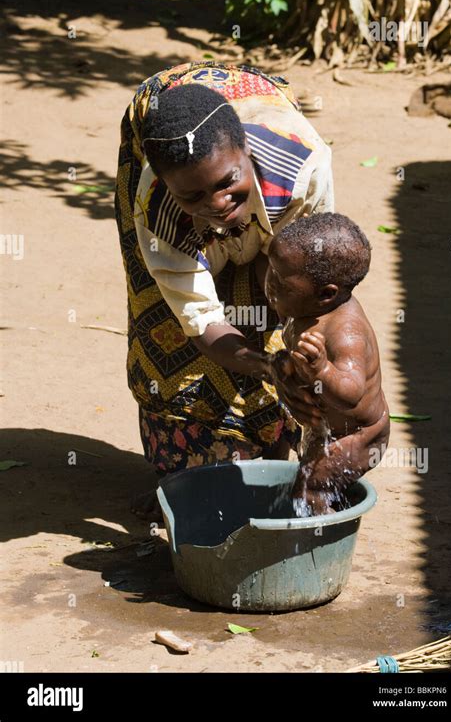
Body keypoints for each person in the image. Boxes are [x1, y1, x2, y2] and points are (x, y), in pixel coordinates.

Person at [114, 60, 334, 519]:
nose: (218, 208)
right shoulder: (155, 212)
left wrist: (296, 360)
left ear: (247, 153)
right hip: (156, 126)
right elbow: (202, 322)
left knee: (272, 304)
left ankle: (266, 452)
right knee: (164, 331)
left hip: (264, 143)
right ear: (166, 186)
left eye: (228, 185)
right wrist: (266, 367)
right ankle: (182, 474)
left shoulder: (302, 168)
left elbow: (302, 288)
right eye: (193, 197)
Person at [265, 212, 390, 515]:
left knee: (309, 492)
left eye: (281, 280)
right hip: (328, 431)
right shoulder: (307, 307)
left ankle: (320, 549)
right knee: (309, 480)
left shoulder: (345, 333)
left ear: (326, 294)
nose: (269, 283)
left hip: (359, 436)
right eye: (271, 270)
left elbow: (350, 393)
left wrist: (321, 369)